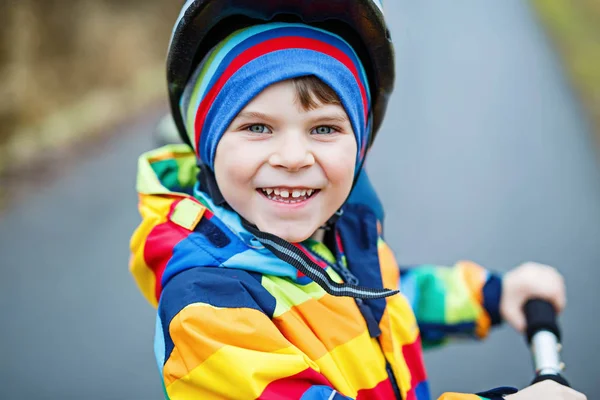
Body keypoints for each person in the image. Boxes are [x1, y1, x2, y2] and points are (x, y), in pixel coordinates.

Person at [129, 2, 586, 400]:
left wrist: (490, 295)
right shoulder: (206, 308)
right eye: (257, 127)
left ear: (360, 145)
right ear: (208, 147)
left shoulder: (335, 235)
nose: (292, 157)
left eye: (324, 128)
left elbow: (378, 304)